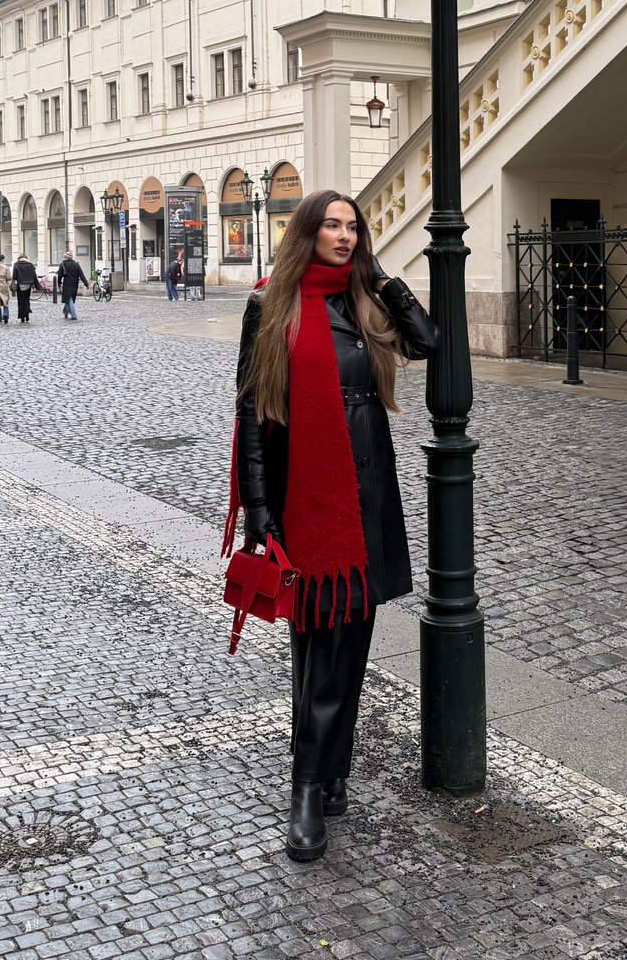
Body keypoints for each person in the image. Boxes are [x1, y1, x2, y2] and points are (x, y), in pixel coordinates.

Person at [224, 190, 438, 862]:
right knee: (320, 651)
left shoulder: (362, 301)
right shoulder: (271, 305)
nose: (344, 236)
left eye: (354, 228)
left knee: (353, 643)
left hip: (366, 489)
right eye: (333, 226)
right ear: (309, 232)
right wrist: (260, 514)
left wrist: (383, 281)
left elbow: (427, 341)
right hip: (308, 497)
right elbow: (253, 417)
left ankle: (334, 767)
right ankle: (308, 788)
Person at [57, 250, 89, 320]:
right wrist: (86, 283)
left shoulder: (63, 265)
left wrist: (59, 283)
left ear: (65, 257)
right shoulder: (76, 265)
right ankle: (65, 312)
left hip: (67, 284)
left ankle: (73, 315)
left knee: (69, 299)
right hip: (75, 283)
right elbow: (81, 275)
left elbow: (60, 275)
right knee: (69, 298)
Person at [11, 253, 38, 323]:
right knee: (27, 299)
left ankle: (22, 317)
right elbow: (34, 276)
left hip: (20, 285)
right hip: (28, 285)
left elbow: (14, 276)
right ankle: (27, 316)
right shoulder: (30, 265)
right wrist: (37, 285)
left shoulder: (16, 265)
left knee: (20, 301)